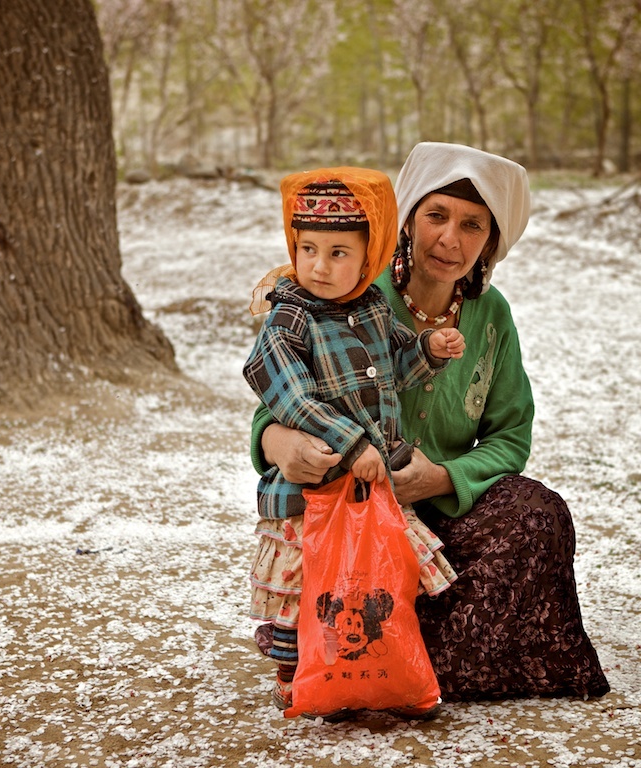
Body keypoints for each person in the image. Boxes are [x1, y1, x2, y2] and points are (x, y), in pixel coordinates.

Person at [252, 142, 610, 703]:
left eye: (472, 225)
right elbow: (276, 398)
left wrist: (439, 478)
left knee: (539, 514)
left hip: (435, 520)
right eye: (436, 216)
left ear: (491, 240)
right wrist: (280, 441)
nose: (451, 239)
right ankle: (352, 662)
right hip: (353, 510)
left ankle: (407, 660)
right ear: (407, 220)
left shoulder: (492, 316)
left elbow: (510, 437)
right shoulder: (351, 291)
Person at [243, 167, 464, 714]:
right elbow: (290, 399)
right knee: (307, 591)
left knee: (372, 585)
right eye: (308, 248)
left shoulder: (372, 307)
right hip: (311, 494)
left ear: (368, 257)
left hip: (370, 491)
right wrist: (353, 444)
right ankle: (296, 673)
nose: (320, 265)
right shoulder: (287, 320)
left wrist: (429, 350)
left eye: (339, 252)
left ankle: (374, 667)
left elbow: (396, 367)